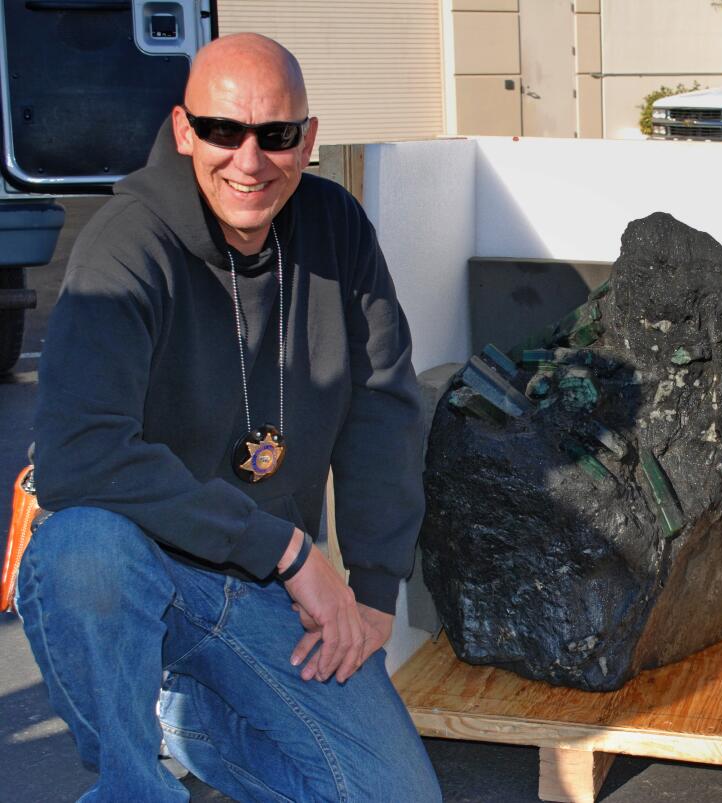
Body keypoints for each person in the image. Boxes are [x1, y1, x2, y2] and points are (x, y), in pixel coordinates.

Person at [16, 33, 442, 801]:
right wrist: (287, 550)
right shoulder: (124, 248)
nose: (249, 160)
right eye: (222, 131)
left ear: (308, 139)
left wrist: (377, 589)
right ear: (184, 129)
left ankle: (192, 715)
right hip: (144, 567)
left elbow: (383, 400)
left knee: (396, 795)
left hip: (259, 593)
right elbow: (78, 453)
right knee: (81, 547)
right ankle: (132, 778)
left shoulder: (336, 230)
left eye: (276, 136)